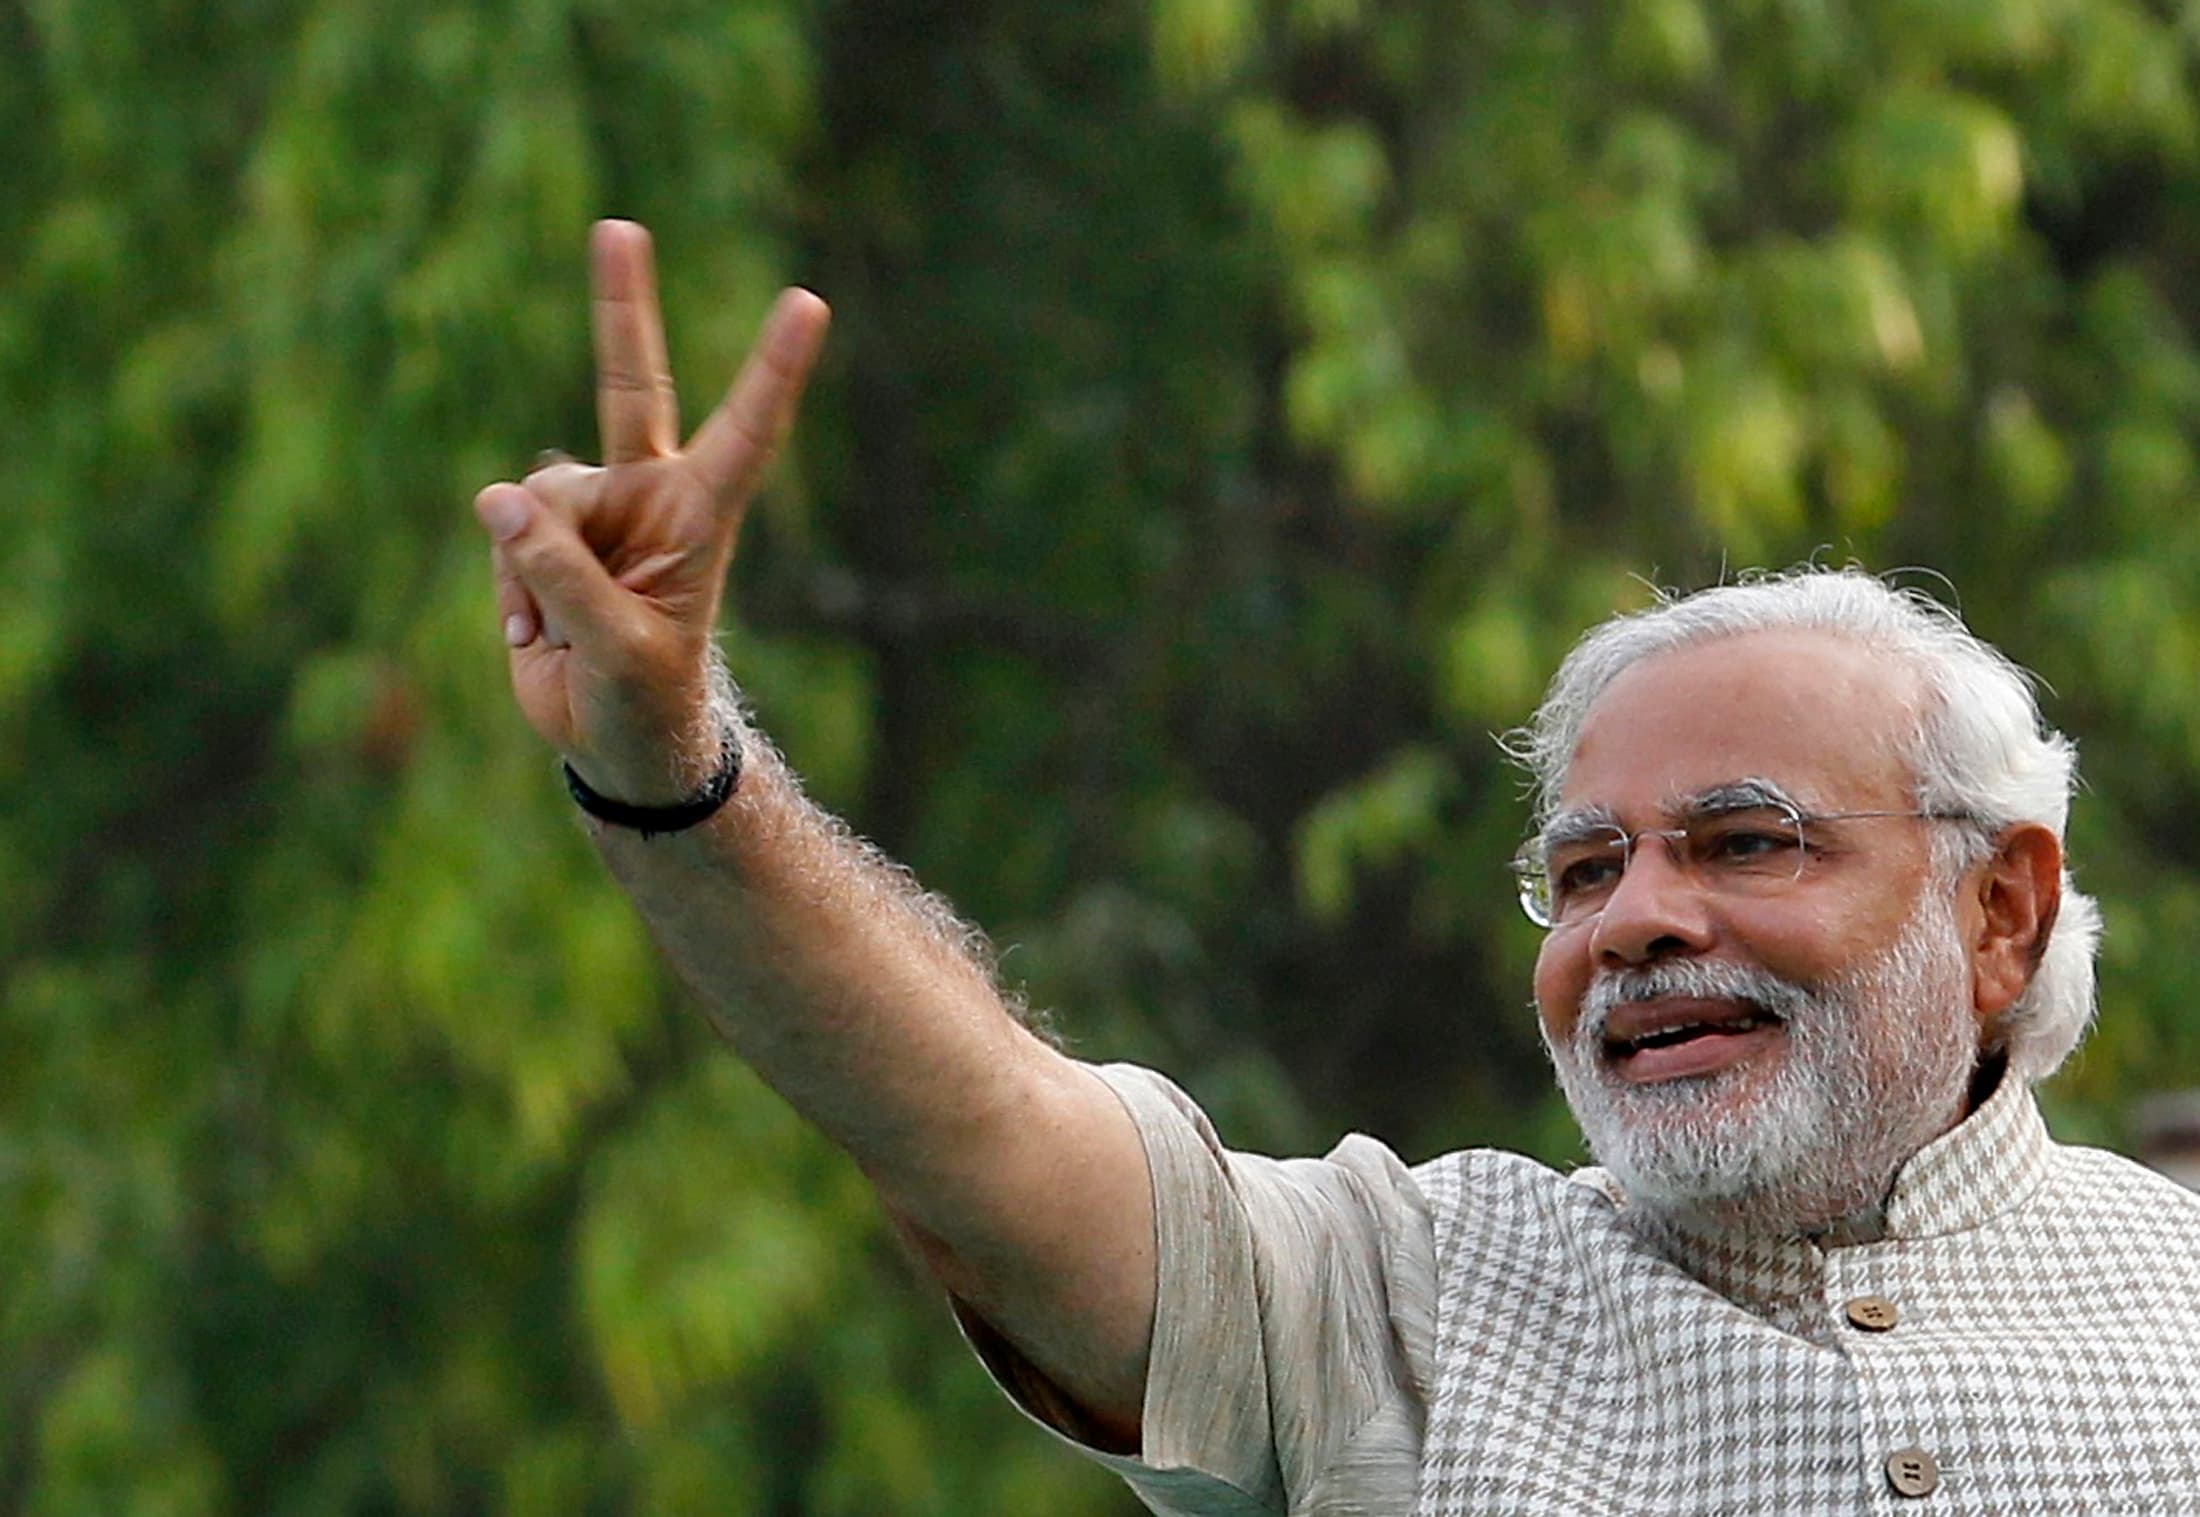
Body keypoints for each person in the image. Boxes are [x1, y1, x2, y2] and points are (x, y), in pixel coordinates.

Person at [473, 222, 2200, 1514]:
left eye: (1745, 840)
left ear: (1999, 910)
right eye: (1584, 870)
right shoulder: (1399, 1298)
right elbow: (977, 1132)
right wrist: (671, 771)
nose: (1638, 921)